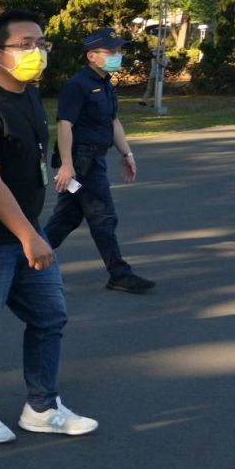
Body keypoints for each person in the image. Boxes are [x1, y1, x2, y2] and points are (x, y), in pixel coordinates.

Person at [0, 9, 98, 445]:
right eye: (25, 45)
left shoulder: (29, 98)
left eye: (41, 43)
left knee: (50, 317)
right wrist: (29, 235)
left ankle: (41, 406)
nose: (37, 52)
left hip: (26, 232)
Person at [44, 28, 154, 294]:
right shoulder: (77, 85)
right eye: (111, 51)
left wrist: (127, 154)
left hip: (96, 159)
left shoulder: (105, 84)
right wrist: (67, 165)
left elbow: (113, 121)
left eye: (118, 51)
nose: (117, 55)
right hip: (82, 163)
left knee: (67, 217)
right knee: (103, 216)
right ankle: (119, 273)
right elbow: (64, 125)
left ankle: (22, 260)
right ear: (92, 55)